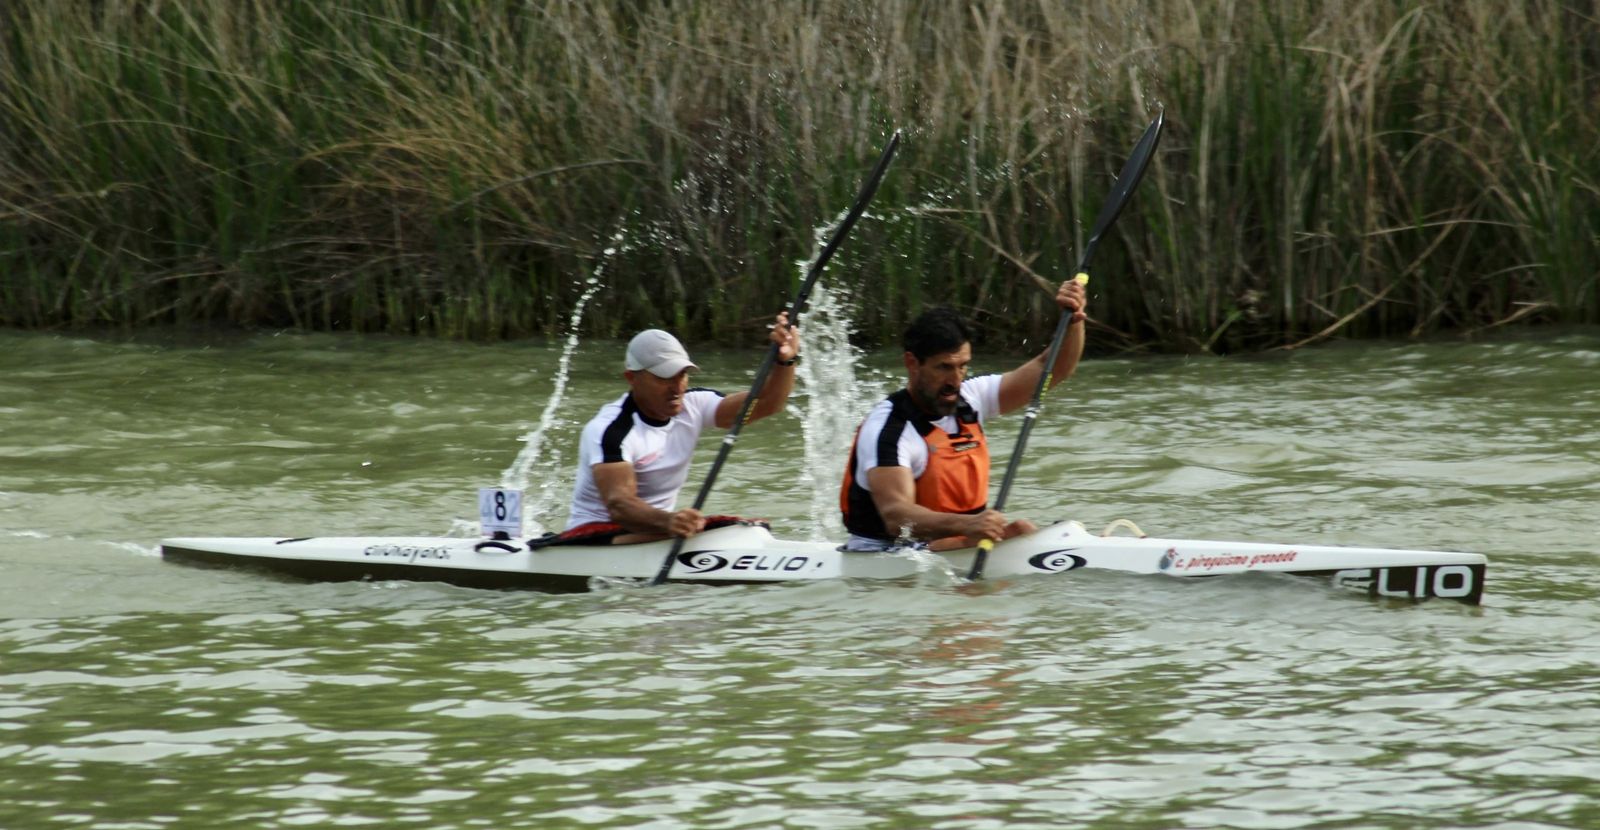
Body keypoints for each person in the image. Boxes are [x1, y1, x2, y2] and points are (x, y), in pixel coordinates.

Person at [840, 279, 1088, 551]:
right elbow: (896, 518)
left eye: (962, 367)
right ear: (912, 363)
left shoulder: (971, 398)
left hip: (951, 542)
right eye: (944, 367)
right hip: (886, 552)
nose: (955, 380)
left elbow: (1053, 368)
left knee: (1024, 530)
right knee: (1020, 531)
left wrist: (1073, 320)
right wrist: (966, 525)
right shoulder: (890, 429)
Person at [565, 313, 801, 543]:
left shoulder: (695, 405)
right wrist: (669, 521)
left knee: (741, 529)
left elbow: (768, 404)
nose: (677, 388)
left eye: (682, 375)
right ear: (632, 378)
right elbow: (620, 505)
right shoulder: (611, 431)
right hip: (597, 536)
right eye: (664, 377)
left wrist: (785, 360)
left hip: (658, 530)